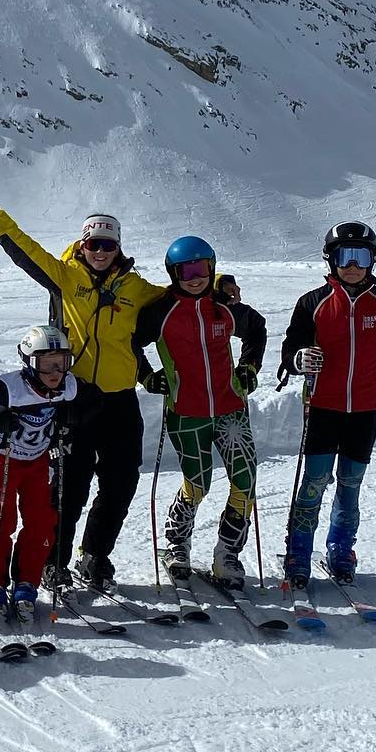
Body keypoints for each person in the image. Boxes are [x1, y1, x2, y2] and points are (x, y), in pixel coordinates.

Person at [0, 180, 161, 591]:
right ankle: (55, 560)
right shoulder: (63, 275)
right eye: (94, 244)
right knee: (68, 488)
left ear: (118, 248)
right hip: (72, 398)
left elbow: (180, 296)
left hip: (121, 401)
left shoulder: (135, 288)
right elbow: (24, 248)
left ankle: (95, 555)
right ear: (83, 244)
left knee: (122, 482)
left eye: (108, 245)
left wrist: (220, 290)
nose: (101, 252)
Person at [278, 223, 376, 586]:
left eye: (360, 256)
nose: (352, 265)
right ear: (330, 261)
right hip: (323, 406)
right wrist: (299, 359)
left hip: (365, 409)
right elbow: (289, 351)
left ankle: (341, 549)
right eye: (343, 256)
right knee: (314, 482)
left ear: (372, 261)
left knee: (351, 483)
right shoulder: (312, 303)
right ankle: (299, 551)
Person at [134, 238, 266, 588]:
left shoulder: (222, 307)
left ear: (211, 267)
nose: (195, 278)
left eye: (202, 269)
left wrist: (249, 367)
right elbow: (129, 341)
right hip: (186, 411)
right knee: (198, 483)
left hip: (230, 409)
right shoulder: (161, 311)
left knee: (245, 480)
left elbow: (257, 329)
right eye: (186, 271)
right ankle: (177, 544)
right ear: (173, 274)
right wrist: (146, 375)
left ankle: (227, 553)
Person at [0, 326, 93, 641]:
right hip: (0, 457)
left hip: (36, 459)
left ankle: (26, 582)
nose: (55, 372)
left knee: (42, 520)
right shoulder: (9, 388)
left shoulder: (69, 385)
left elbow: (93, 401)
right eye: (46, 364)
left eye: (61, 362)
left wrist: (71, 417)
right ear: (29, 363)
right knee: (0, 518)